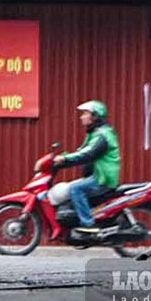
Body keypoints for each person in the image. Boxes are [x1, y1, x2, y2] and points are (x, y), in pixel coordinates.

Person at [52, 100, 120, 238]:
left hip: (103, 179)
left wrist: (64, 159)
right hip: (98, 176)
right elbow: (80, 152)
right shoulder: (95, 133)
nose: (81, 117)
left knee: (75, 189)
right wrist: (61, 160)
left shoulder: (102, 135)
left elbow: (87, 154)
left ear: (95, 116)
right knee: (75, 186)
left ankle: (89, 225)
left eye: (85, 113)